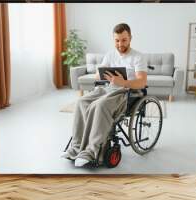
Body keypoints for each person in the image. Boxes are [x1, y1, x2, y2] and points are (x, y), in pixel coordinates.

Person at [62, 23, 148, 167]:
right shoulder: (110, 55)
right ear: (113, 39)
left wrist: (123, 82)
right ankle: (76, 147)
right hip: (107, 88)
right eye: (117, 40)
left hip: (126, 92)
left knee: (99, 105)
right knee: (82, 101)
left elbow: (142, 82)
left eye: (124, 40)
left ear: (130, 38)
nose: (120, 44)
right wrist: (101, 73)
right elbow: (97, 76)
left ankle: (91, 151)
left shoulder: (138, 57)